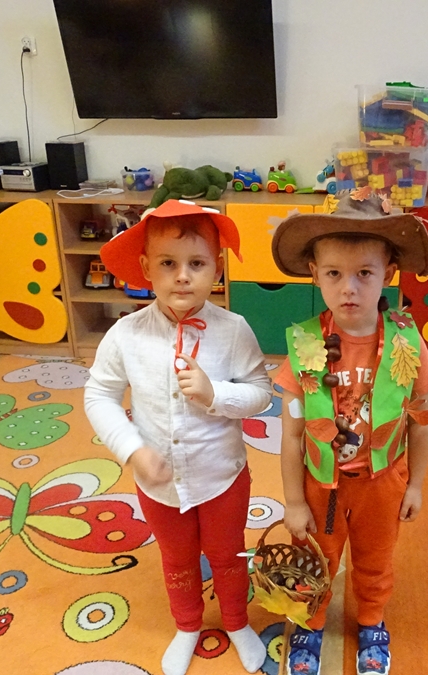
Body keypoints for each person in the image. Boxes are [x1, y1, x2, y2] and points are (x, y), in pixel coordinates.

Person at [84, 199, 272, 675]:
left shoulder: (234, 330)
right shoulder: (126, 334)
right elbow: (99, 395)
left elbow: (261, 393)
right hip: (159, 485)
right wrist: (132, 450)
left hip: (223, 476)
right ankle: (187, 625)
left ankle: (236, 621)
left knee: (228, 556)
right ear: (147, 268)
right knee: (177, 558)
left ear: (217, 269)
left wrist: (216, 393)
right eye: (168, 263)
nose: (183, 276)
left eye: (197, 264)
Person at [270, 190, 428, 675]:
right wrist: (293, 501)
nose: (349, 288)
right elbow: (292, 435)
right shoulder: (305, 344)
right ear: (314, 274)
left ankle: (371, 620)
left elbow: (422, 421)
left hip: (382, 483)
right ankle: (310, 622)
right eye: (334, 274)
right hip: (320, 486)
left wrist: (416, 484)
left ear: (388, 274)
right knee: (315, 558)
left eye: (364, 273)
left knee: (375, 558)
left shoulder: (408, 341)